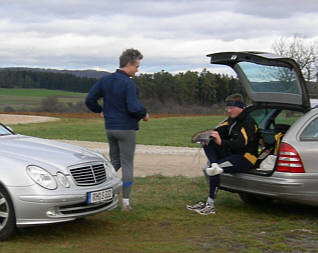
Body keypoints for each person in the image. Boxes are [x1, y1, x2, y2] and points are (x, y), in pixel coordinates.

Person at [85, 48, 149, 211]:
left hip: (110, 128)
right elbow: (134, 108)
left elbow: (89, 99)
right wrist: (144, 114)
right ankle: (125, 202)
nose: (137, 70)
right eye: (137, 66)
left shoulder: (105, 80)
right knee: (127, 164)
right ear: (128, 64)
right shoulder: (128, 83)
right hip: (126, 129)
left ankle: (99, 192)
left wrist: (100, 110)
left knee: (114, 163)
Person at [187, 93, 258, 215]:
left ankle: (210, 205)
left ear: (240, 107)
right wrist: (208, 135)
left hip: (246, 158)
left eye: (231, 108)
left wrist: (222, 141)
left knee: (214, 170)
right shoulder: (231, 120)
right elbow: (219, 130)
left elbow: (241, 143)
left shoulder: (248, 122)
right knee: (208, 142)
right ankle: (214, 164)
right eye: (227, 107)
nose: (228, 110)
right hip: (233, 154)